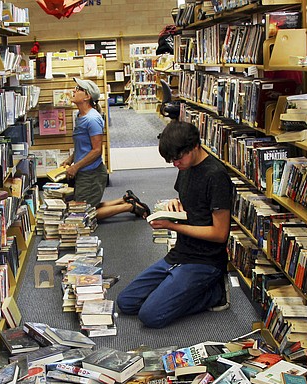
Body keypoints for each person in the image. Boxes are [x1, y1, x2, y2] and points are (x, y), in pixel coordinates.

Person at [116, 121, 232, 329]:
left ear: (195, 146)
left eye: (178, 159)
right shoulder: (186, 166)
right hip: (180, 253)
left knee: (151, 316)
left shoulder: (216, 176)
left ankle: (216, 294)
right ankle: (177, 288)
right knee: (126, 302)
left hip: (205, 261)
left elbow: (220, 233)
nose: (175, 164)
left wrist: (172, 226)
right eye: (171, 161)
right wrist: (175, 203)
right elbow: (191, 203)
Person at [64, 77, 150, 220]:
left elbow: (97, 151)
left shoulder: (92, 119)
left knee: (83, 214)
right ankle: (124, 200)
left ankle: (130, 207)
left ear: (87, 96)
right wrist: (71, 159)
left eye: (78, 89)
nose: (74, 90)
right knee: (84, 207)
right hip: (84, 171)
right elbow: (84, 145)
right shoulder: (80, 116)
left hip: (92, 173)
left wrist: (75, 167)